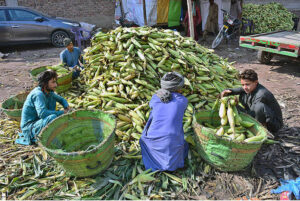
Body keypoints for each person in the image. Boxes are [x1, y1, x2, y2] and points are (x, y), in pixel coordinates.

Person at [139, 72, 189, 172]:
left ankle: (153, 162)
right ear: (179, 88)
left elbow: (155, 106)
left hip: (152, 141)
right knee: (184, 143)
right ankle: (173, 163)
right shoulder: (183, 101)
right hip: (171, 142)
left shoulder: (155, 98)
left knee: (144, 138)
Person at [16, 70, 70, 145]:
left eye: (55, 82)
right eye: (53, 82)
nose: (56, 85)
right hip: (30, 127)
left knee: (55, 113)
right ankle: (42, 137)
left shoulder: (49, 92)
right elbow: (42, 113)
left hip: (38, 122)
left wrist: (66, 106)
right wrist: (62, 113)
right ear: (45, 84)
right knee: (52, 117)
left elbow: (61, 99)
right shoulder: (38, 94)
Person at [221, 69, 283, 133]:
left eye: (247, 84)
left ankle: (262, 130)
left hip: (274, 124)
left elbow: (251, 115)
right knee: (243, 93)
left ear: (256, 82)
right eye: (242, 84)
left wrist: (236, 106)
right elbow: (239, 90)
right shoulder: (251, 88)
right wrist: (229, 91)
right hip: (254, 113)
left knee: (259, 107)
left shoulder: (261, 95)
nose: (244, 87)